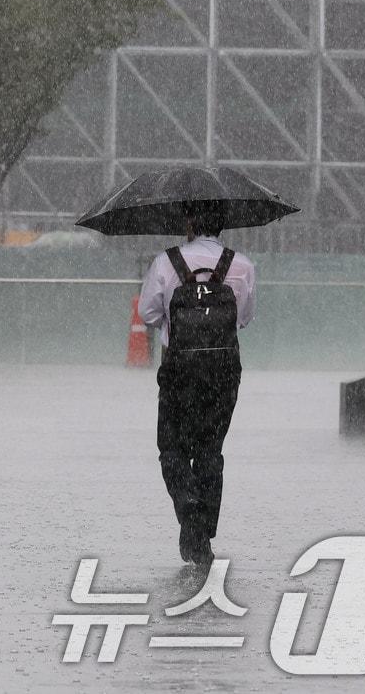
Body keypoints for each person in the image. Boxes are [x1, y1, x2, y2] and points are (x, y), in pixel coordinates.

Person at [137, 200, 255, 566]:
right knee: (210, 450)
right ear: (223, 225)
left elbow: (149, 314)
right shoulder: (242, 265)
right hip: (223, 370)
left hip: (179, 371)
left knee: (172, 449)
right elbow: (245, 318)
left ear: (190, 222)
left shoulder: (165, 262)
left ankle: (187, 505)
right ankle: (202, 532)